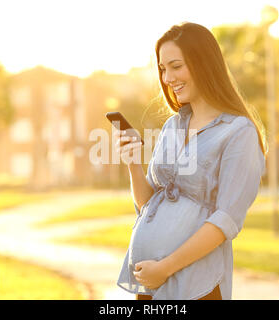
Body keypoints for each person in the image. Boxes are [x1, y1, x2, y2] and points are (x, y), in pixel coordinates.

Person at [113, 22, 267, 300]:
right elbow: (148, 205)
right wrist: (133, 163)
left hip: (197, 286)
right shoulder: (173, 126)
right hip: (150, 283)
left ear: (203, 65)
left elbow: (225, 221)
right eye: (162, 69)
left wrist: (165, 268)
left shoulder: (238, 132)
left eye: (176, 66)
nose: (168, 77)